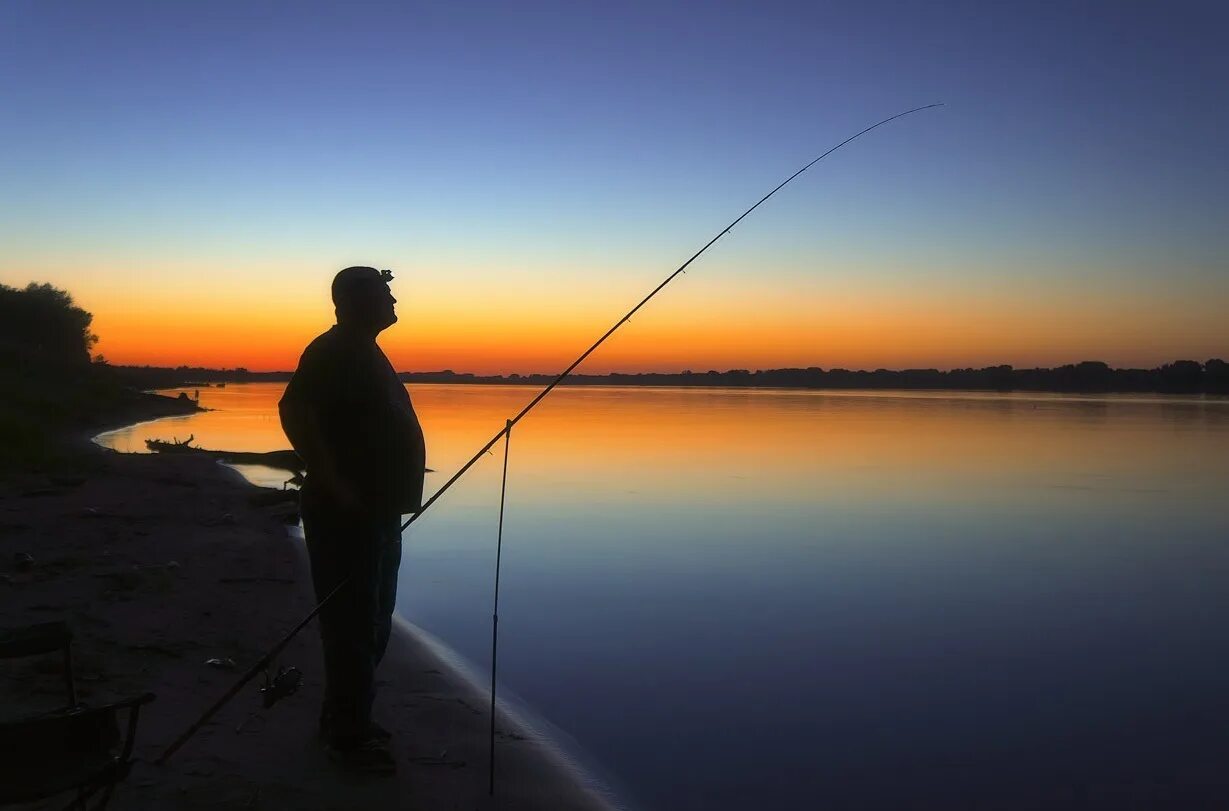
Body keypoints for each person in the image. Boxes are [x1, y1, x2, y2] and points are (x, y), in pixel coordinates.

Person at [278, 266, 426, 775]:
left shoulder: (363, 350)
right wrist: (335, 483)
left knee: (376, 618)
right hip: (348, 514)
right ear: (353, 301)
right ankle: (346, 738)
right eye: (383, 293)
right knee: (353, 623)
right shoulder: (333, 349)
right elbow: (295, 411)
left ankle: (348, 716)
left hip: (378, 511)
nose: (392, 299)